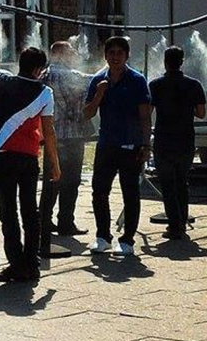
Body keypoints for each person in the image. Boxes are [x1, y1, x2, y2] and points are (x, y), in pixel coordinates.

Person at [0, 16, 60, 282]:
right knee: (30, 212)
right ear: (39, 69)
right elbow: (49, 132)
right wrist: (56, 163)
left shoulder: (1, 79)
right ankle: (33, 265)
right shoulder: (45, 92)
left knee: (8, 212)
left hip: (4, 157)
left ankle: (16, 265)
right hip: (29, 158)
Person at [83, 36, 152, 255]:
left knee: (130, 192)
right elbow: (87, 113)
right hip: (106, 144)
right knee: (98, 191)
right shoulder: (98, 80)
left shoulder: (137, 80)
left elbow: (145, 116)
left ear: (126, 56)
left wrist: (145, 144)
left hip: (131, 145)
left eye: (119, 53)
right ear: (105, 56)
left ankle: (127, 240)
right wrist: (99, 94)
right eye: (111, 53)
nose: (115, 57)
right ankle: (103, 236)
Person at [149, 46, 206, 241]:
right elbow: (201, 113)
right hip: (185, 140)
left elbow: (146, 113)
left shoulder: (156, 85)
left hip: (164, 139)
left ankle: (174, 225)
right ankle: (181, 220)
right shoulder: (194, 85)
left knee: (167, 183)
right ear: (182, 62)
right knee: (182, 181)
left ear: (165, 62)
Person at [39, 41, 93, 241]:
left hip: (50, 136)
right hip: (72, 136)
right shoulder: (71, 76)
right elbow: (94, 82)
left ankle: (44, 220)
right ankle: (66, 223)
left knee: (51, 181)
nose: (75, 56)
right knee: (70, 182)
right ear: (60, 54)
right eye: (71, 52)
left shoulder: (43, 76)